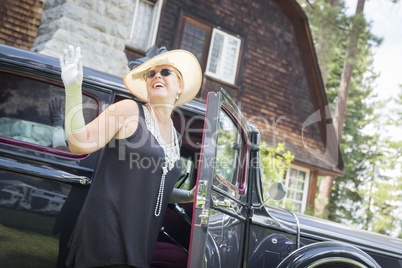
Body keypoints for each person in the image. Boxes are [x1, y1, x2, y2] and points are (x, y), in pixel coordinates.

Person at [59, 44, 202, 268]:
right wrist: (73, 88)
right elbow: (79, 143)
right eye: (150, 74)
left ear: (180, 85)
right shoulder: (129, 110)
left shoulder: (175, 135)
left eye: (165, 72)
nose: (157, 76)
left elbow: (153, 185)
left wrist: (189, 195)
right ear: (146, 84)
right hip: (107, 238)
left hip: (140, 243)